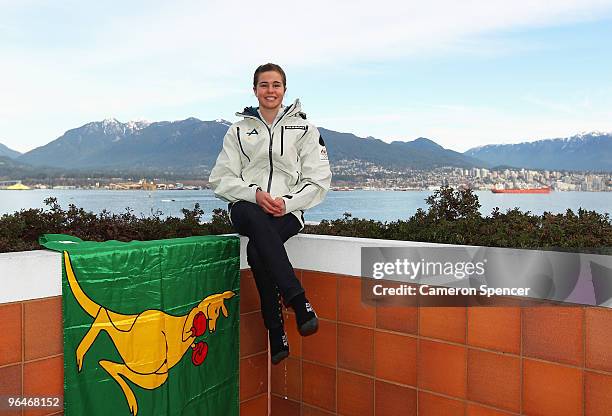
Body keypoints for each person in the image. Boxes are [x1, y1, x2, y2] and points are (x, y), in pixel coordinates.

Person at [209, 63, 332, 364]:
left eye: (276, 85)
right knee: (252, 216)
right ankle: (298, 300)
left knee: (257, 249)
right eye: (264, 85)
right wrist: (255, 195)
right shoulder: (238, 130)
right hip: (246, 208)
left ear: (285, 90)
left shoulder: (304, 130)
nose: (270, 91)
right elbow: (221, 178)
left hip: (286, 211)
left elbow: (319, 180)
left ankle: (276, 330)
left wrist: (287, 203)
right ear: (255, 90)